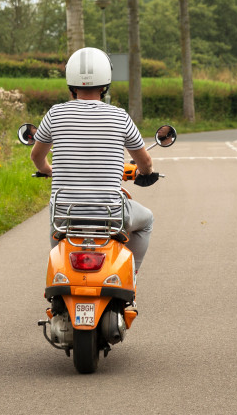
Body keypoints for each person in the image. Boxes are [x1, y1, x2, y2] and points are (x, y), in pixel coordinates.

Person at [31, 47, 159, 272]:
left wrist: (48, 169)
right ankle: (132, 274)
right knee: (146, 219)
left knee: (57, 224)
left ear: (71, 83)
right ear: (105, 84)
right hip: (110, 214)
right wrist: (146, 173)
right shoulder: (120, 116)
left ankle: (60, 275)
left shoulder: (55, 114)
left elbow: (36, 156)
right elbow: (145, 163)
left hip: (65, 214)